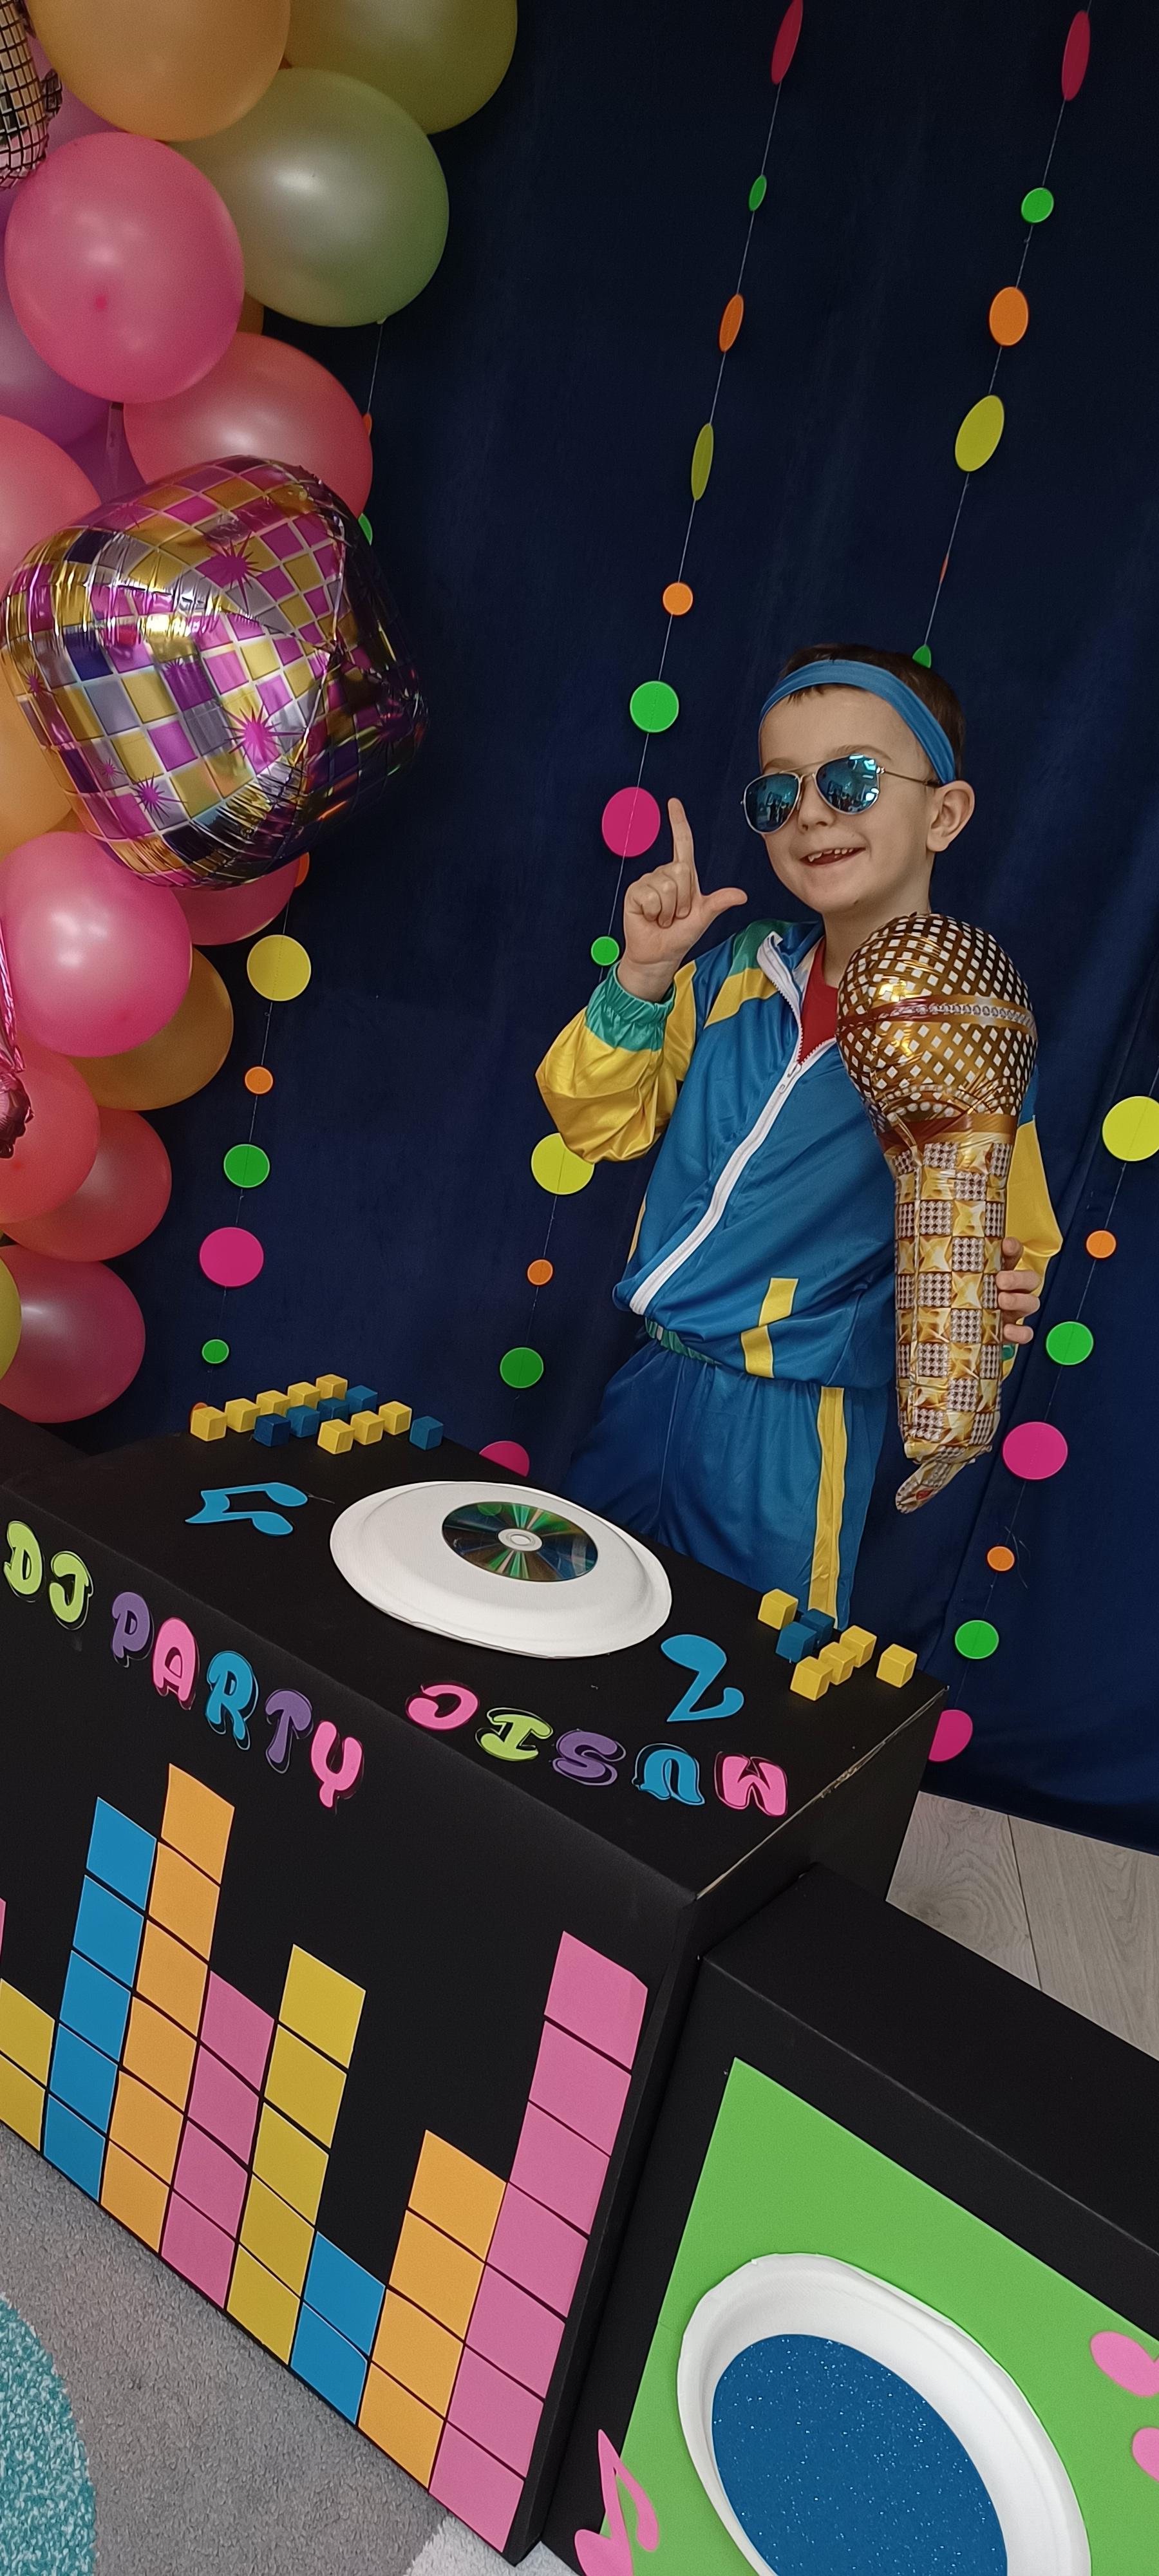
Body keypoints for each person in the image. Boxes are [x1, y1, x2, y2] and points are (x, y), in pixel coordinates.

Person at [536, 645, 1061, 1626]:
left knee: (753, 1667)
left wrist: (995, 1288)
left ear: (943, 814)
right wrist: (643, 975)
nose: (812, 813)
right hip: (652, 1376)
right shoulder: (736, 971)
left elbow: (1007, 1231)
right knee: (570, 1616)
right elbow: (596, 1123)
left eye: (852, 780)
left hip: (792, 1421)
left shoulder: (967, 1021)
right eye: (779, 793)